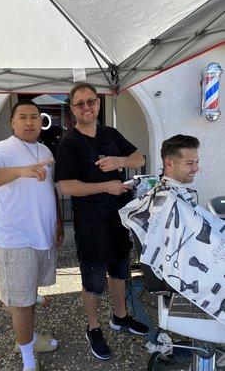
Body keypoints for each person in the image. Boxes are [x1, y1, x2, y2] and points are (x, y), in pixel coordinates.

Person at [54, 82, 149, 361]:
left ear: (98, 103)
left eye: (91, 102)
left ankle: (120, 317)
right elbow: (66, 187)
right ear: (72, 109)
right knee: (93, 280)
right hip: (91, 224)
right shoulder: (69, 143)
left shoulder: (110, 133)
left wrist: (119, 160)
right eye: (80, 103)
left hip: (118, 218)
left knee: (120, 271)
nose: (87, 107)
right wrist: (106, 186)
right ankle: (93, 328)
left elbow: (139, 157)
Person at [0, 100, 64, 371]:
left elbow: (49, 189)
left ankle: (30, 339)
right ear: (13, 122)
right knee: (21, 301)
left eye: (34, 116)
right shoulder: (3, 149)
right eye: (23, 117)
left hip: (41, 235)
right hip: (15, 239)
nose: (29, 122)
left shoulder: (43, 149)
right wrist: (19, 171)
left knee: (29, 295)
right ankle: (27, 359)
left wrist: (57, 222)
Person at [120, 134, 225, 324]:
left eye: (197, 162)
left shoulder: (171, 194)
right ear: (169, 163)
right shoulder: (168, 200)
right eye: (190, 163)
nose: (197, 168)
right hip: (183, 273)